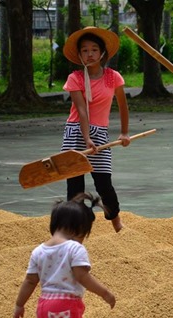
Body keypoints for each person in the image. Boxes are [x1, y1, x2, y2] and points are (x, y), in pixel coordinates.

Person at [13, 193, 116, 318]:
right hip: (65, 307)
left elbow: (30, 281)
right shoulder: (74, 248)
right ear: (79, 230)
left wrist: (19, 305)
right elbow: (82, 276)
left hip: (43, 307)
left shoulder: (38, 251)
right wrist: (105, 293)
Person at [61, 26, 130, 233]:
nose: (89, 54)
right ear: (80, 55)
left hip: (100, 134)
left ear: (102, 53)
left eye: (93, 49)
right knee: (75, 185)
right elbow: (82, 110)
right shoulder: (75, 78)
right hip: (75, 133)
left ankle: (116, 222)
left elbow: (123, 105)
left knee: (103, 183)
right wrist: (85, 137)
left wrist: (124, 133)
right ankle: (75, 229)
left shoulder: (113, 77)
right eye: (84, 50)